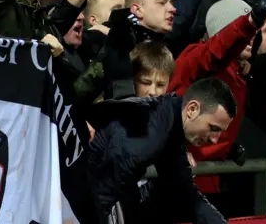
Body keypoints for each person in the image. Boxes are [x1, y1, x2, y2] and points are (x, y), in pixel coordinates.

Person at [87, 77, 235, 223]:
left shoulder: (171, 120)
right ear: (192, 109)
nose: (215, 139)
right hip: (80, 189)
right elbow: (100, 192)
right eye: (213, 128)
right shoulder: (151, 131)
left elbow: (185, 190)